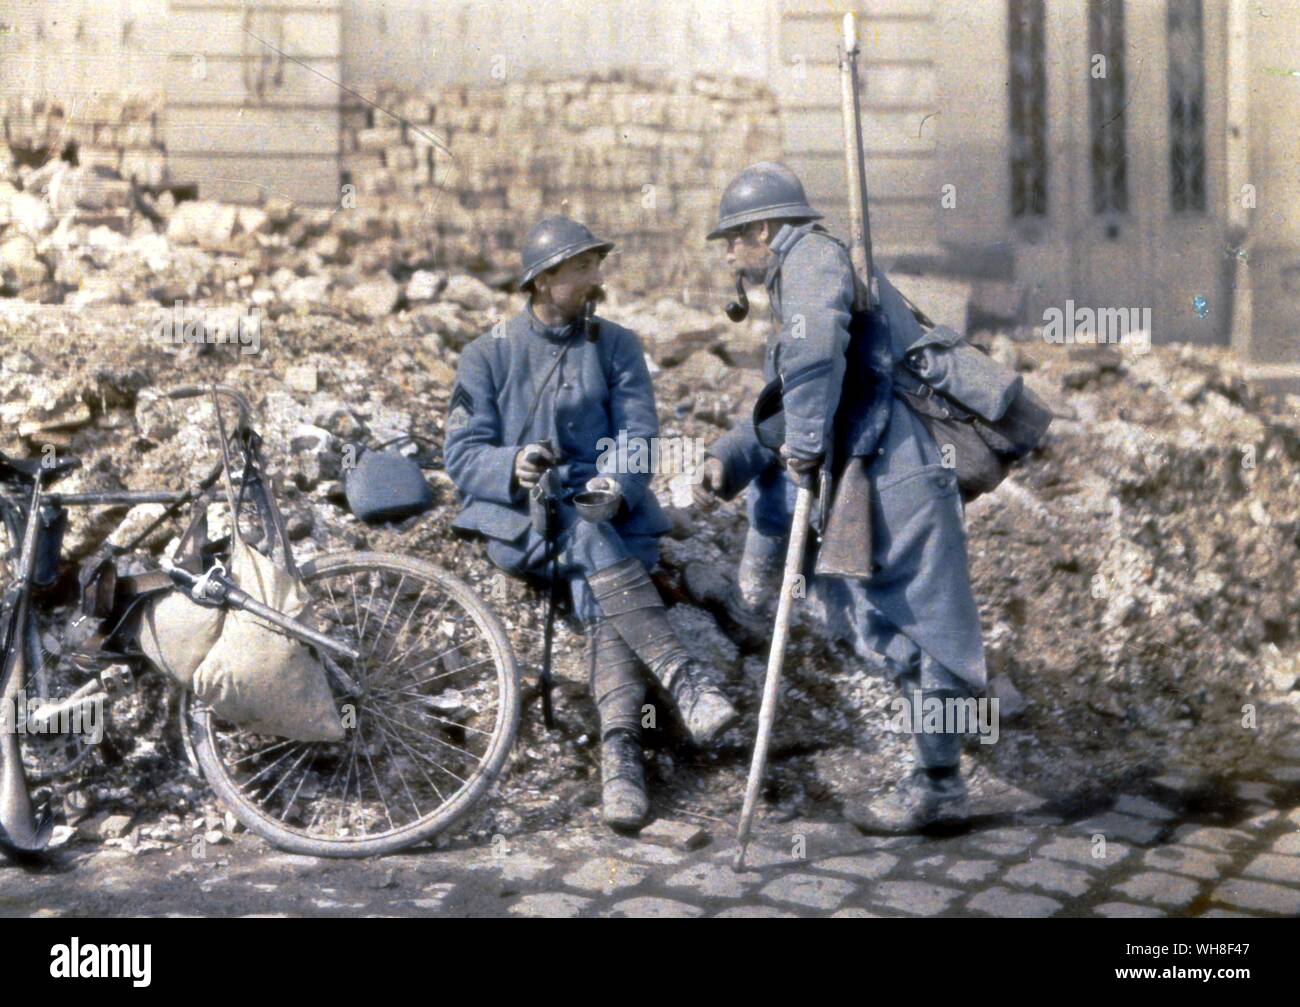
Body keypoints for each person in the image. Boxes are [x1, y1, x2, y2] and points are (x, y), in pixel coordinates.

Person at [691, 163, 988, 832]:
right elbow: (785, 395)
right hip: (871, 469)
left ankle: (940, 786)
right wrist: (732, 457)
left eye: (734, 241)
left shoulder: (813, 259)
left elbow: (817, 358)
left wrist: (801, 446)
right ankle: (937, 775)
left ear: (763, 228)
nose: (732, 256)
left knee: (925, 627)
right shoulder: (801, 269)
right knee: (889, 625)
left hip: (899, 470)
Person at [443, 215, 738, 830]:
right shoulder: (486, 353)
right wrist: (513, 462)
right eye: (582, 267)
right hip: (522, 520)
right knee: (589, 539)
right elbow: (462, 453)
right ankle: (683, 687)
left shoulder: (618, 346)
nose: (596, 278)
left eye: (596, 264)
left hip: (603, 511)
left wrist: (616, 482)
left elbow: (639, 435)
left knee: (596, 564)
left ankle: (622, 761)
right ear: (544, 280)